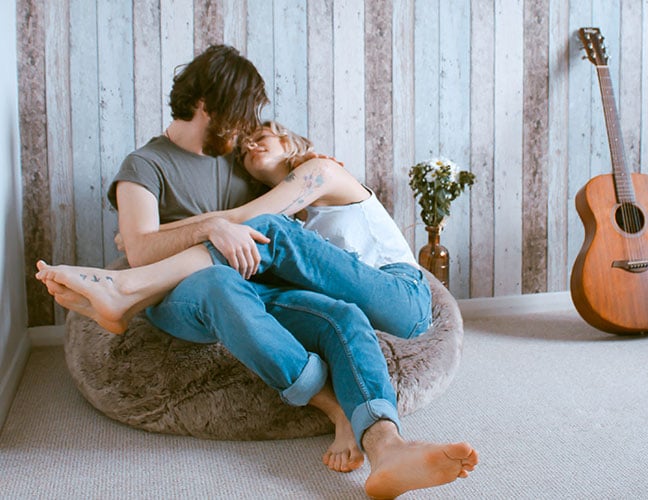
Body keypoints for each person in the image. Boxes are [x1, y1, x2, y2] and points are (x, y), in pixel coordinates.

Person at [37, 45, 478, 498]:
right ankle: (331, 406)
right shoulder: (143, 167)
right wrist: (209, 227)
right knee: (219, 279)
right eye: (243, 114)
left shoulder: (242, 163)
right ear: (209, 103)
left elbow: (267, 216)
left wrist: (217, 222)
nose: (249, 131)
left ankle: (388, 448)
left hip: (263, 287)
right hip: (191, 294)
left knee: (342, 315)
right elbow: (139, 248)